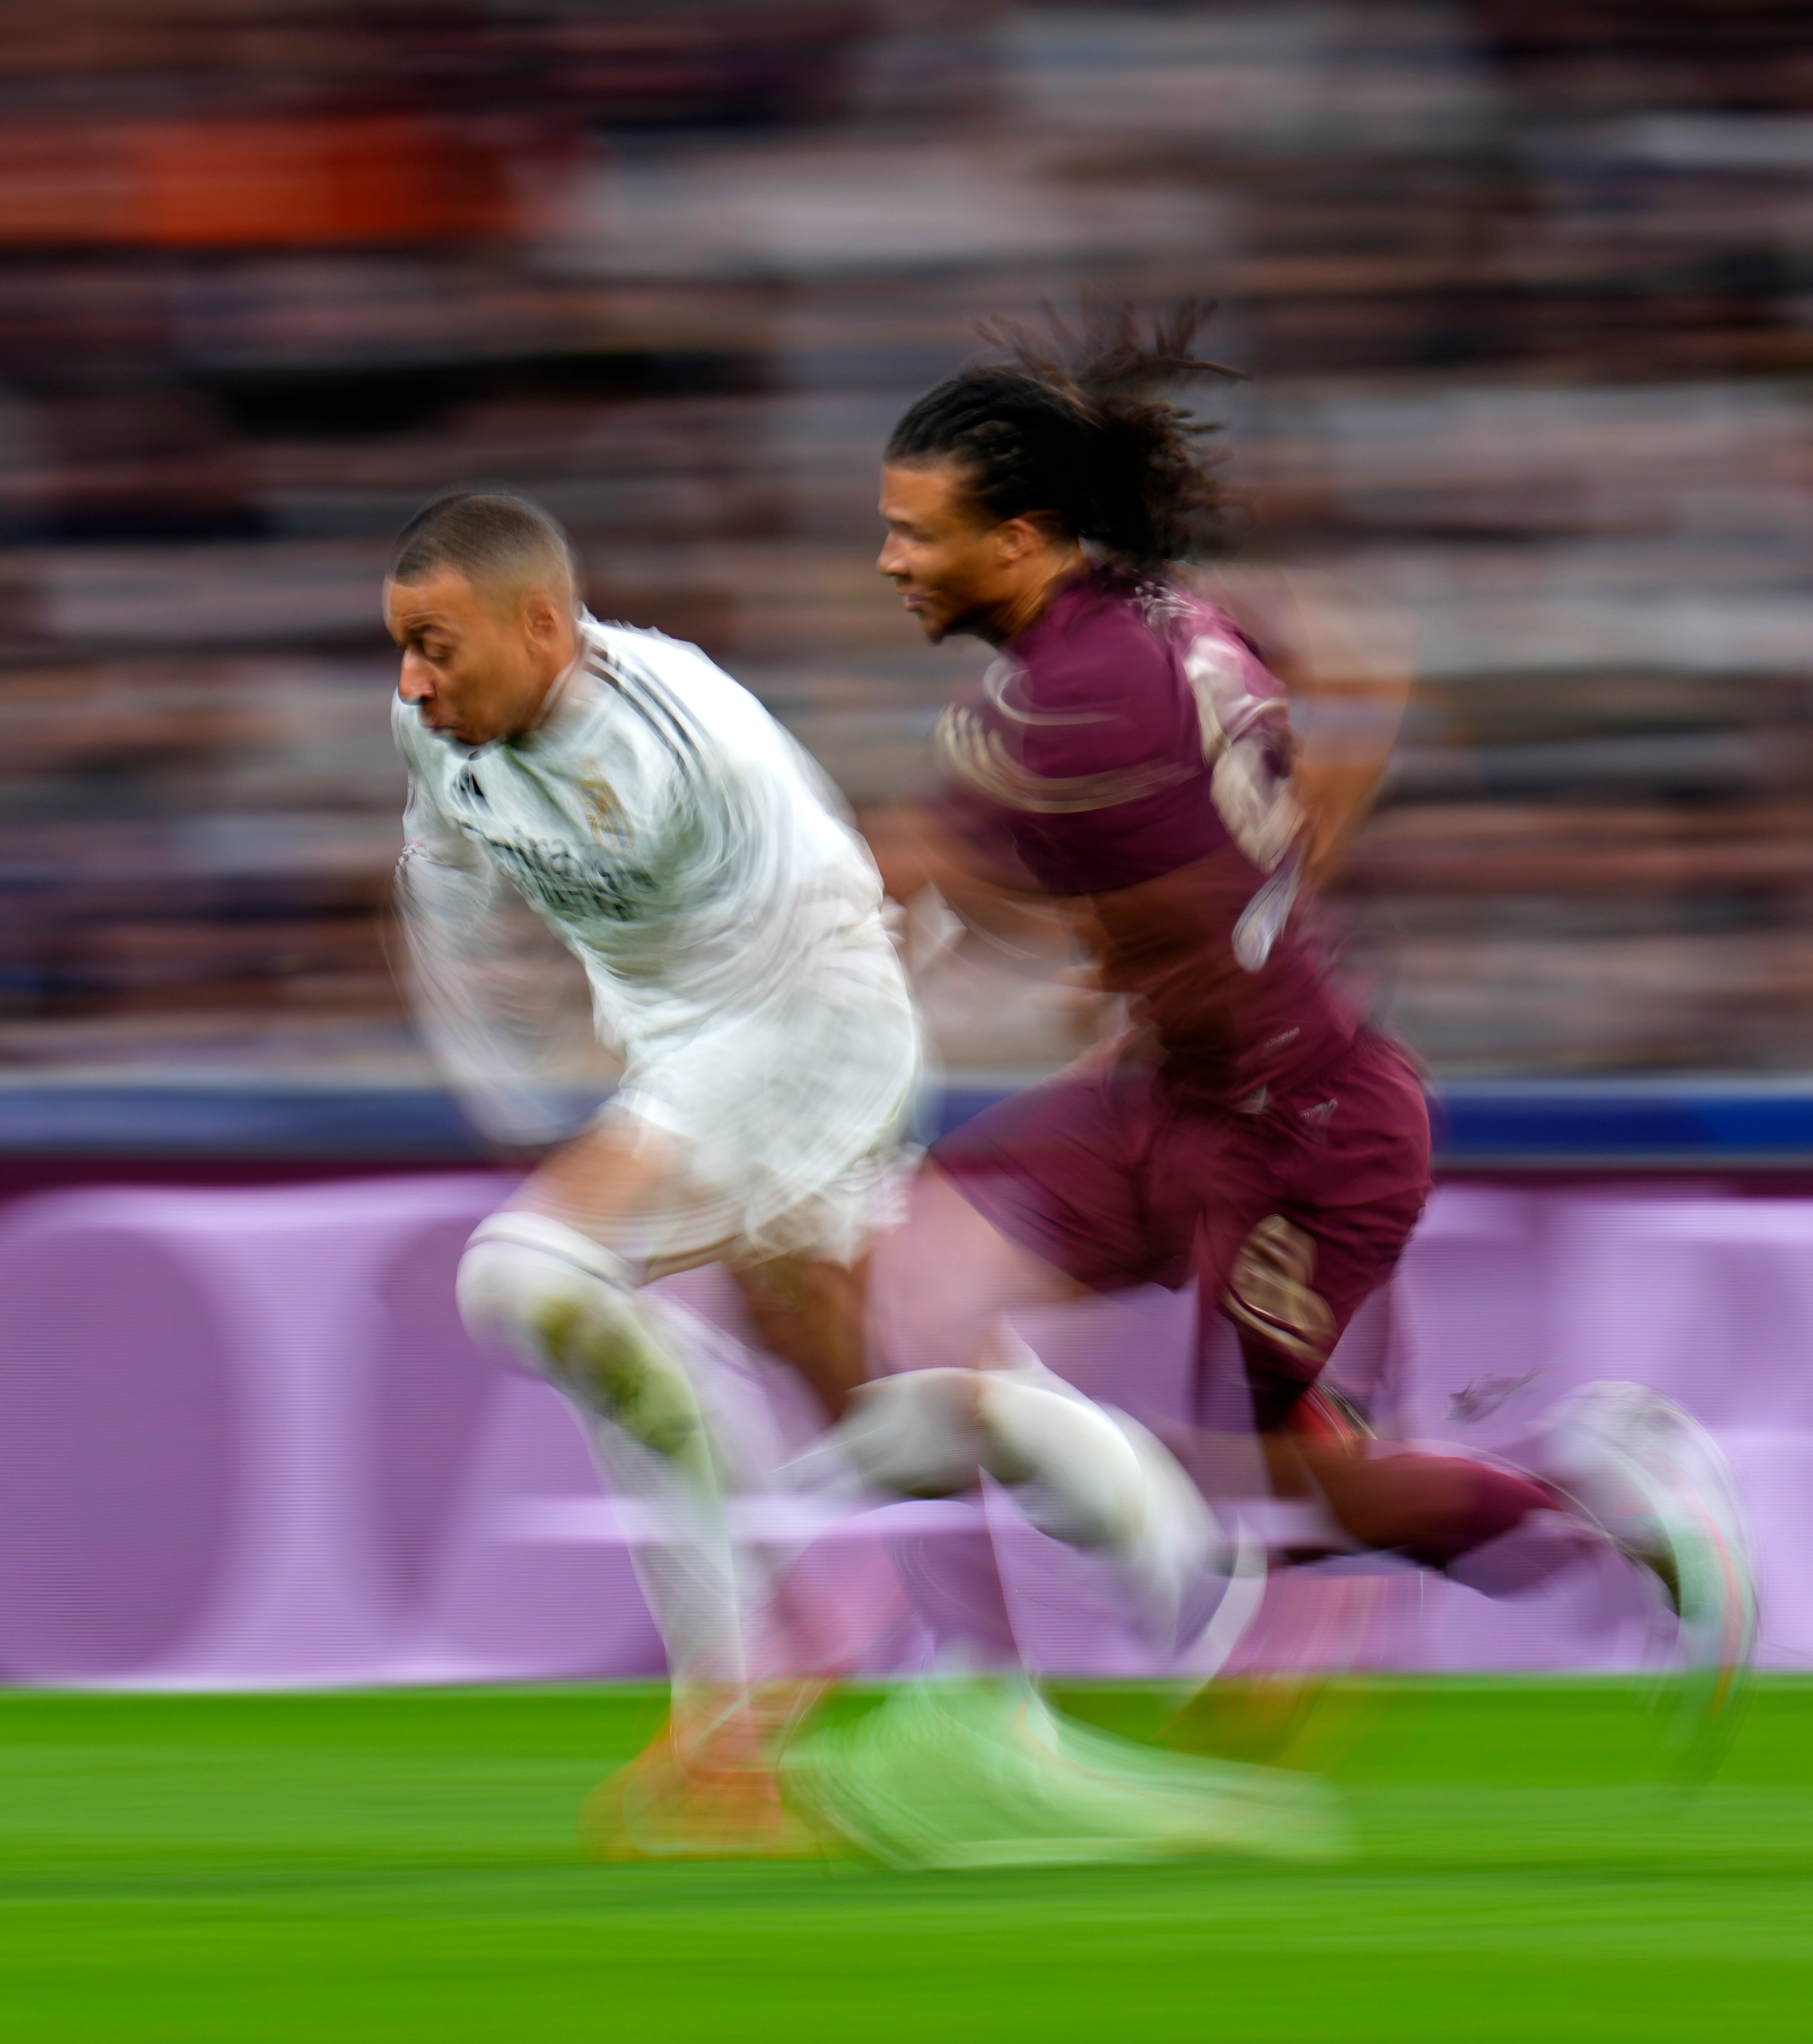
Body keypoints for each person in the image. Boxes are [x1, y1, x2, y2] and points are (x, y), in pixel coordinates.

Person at [805, 314, 1755, 1848]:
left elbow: (938, 898)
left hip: (1300, 1131)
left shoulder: (1063, 715)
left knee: (1301, 1499)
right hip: (1179, 1090)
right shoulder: (1167, 611)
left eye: (917, 535)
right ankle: (992, 1716)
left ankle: (1610, 1505)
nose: (891, 563)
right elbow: (1351, 645)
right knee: (917, 1292)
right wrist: (1265, 877)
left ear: (1025, 537)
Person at [387, 488, 1209, 1856]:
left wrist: (641, 1167)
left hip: (814, 1020)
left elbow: (797, 975)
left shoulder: (679, 740)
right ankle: (1181, 1558)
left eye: (436, 647)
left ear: (544, 625)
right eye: (402, 648)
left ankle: (747, 1701)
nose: (413, 682)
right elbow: (449, 883)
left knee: (529, 1276)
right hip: (694, 1043)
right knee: (876, 1398)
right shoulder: (445, 724)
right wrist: (510, 1079)